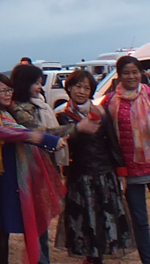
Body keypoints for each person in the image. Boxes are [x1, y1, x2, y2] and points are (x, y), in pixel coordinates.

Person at [0, 72, 65, 264]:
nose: (6, 94)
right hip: (1, 174)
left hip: (12, 174)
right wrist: (50, 140)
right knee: (0, 226)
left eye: (8, 89)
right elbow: (20, 132)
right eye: (1, 91)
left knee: (2, 225)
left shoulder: (8, 111)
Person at [9, 62, 85, 264]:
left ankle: (43, 258)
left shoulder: (39, 104)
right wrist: (76, 129)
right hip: (31, 168)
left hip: (45, 166)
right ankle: (39, 259)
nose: (39, 87)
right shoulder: (19, 110)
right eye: (36, 83)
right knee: (36, 217)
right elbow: (42, 133)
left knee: (41, 215)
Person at [57, 68, 131, 263]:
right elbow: (67, 145)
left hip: (104, 174)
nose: (81, 91)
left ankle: (98, 256)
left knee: (104, 219)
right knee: (85, 221)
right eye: (78, 86)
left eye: (86, 88)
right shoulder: (64, 117)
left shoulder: (101, 112)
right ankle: (90, 258)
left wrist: (121, 171)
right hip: (80, 177)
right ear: (69, 88)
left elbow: (112, 142)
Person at [101, 55, 150, 264]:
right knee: (140, 220)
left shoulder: (149, 94)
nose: (131, 76)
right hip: (128, 170)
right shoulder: (110, 101)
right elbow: (104, 135)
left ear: (141, 73)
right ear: (119, 76)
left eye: (135, 72)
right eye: (126, 73)